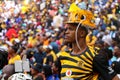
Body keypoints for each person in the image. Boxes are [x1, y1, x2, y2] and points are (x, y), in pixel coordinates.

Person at [56, 3, 120, 80]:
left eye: (71, 29)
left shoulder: (94, 56)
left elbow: (115, 78)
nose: (66, 32)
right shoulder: (62, 56)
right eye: (66, 29)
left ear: (82, 33)